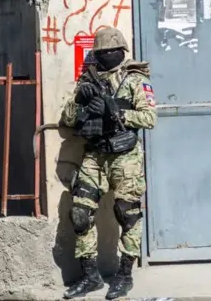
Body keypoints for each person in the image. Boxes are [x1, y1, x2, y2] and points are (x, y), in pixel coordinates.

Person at [60, 26, 157, 299]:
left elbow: (149, 118)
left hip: (125, 157)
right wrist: (80, 104)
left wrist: (115, 113)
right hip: (94, 155)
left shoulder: (134, 80)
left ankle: (124, 275)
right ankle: (90, 276)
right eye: (102, 52)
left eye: (114, 51)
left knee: (128, 214)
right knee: (79, 213)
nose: (108, 55)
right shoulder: (87, 80)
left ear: (123, 51)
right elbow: (67, 118)